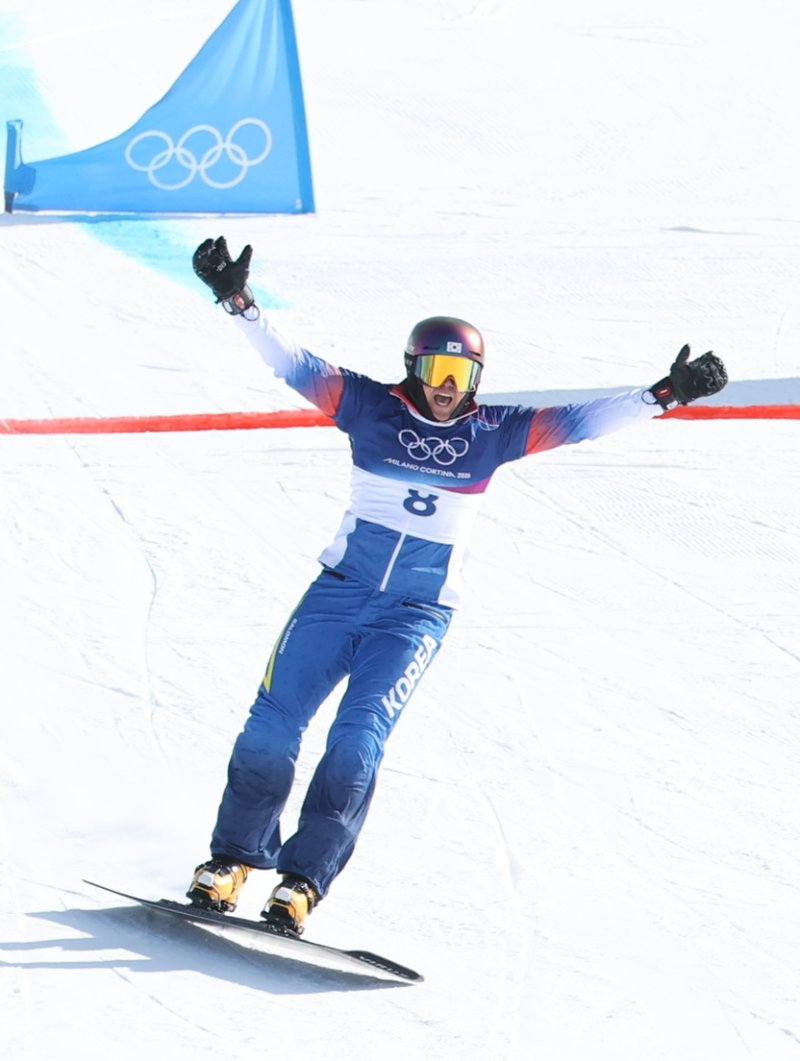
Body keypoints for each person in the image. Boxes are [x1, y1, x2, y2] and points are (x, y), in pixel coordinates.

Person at [186, 236, 728, 934]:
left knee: (356, 742)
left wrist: (665, 395)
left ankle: (300, 880)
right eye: (436, 369)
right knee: (271, 726)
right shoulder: (369, 407)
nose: (447, 385)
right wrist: (238, 303)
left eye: (461, 373)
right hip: (339, 592)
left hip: (414, 614)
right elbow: (295, 364)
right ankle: (232, 860)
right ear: (413, 368)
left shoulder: (492, 433)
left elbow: (582, 421)